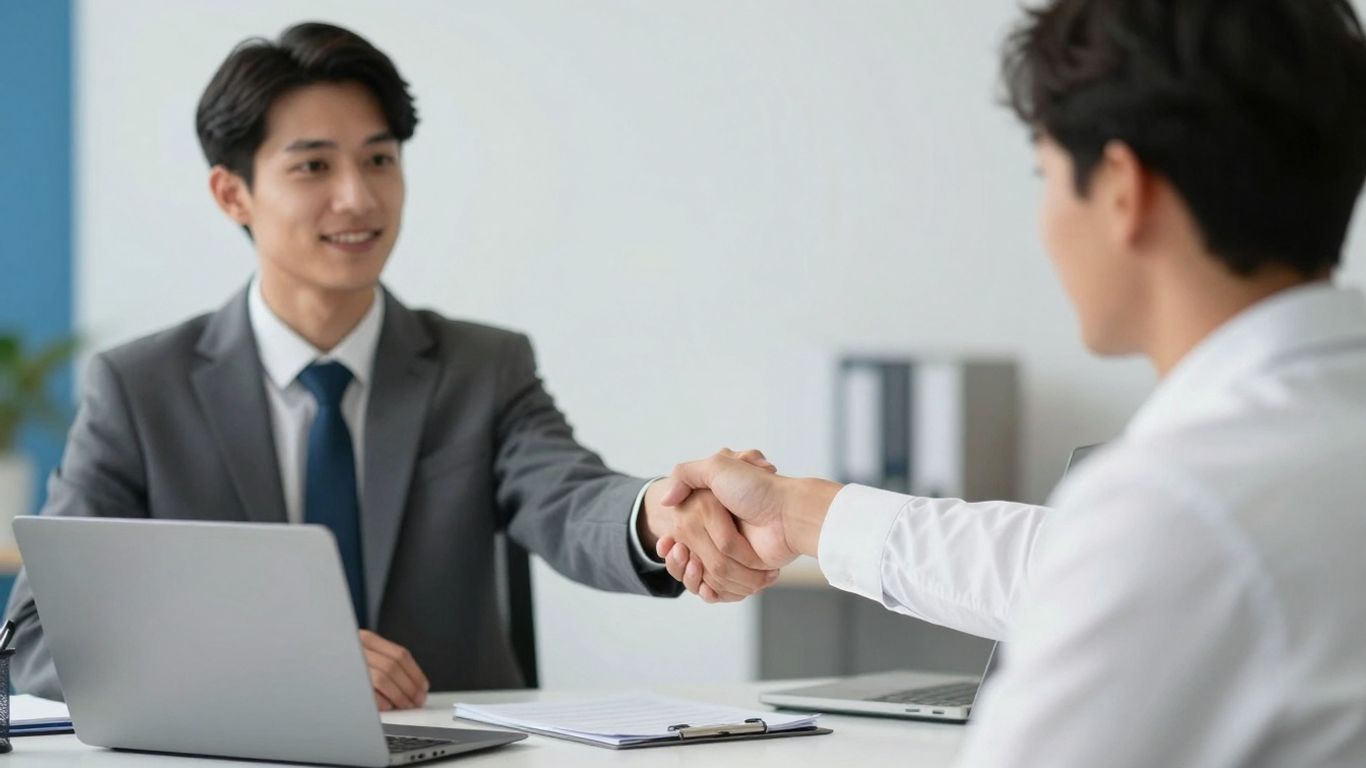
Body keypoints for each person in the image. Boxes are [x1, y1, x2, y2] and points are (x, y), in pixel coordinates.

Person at [658, 0, 1366, 764]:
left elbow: (1131, 557)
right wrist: (802, 516)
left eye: (1047, 174)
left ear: (1125, 191)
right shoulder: (1291, 455)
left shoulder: (1183, 507)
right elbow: (1068, 564)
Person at [2, 21, 779, 708]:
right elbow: (36, 638)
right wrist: (278, 665)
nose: (357, 198)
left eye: (380, 159)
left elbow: (568, 495)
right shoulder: (141, 390)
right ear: (232, 193)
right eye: (313, 167)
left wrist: (657, 516)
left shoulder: (483, 366)